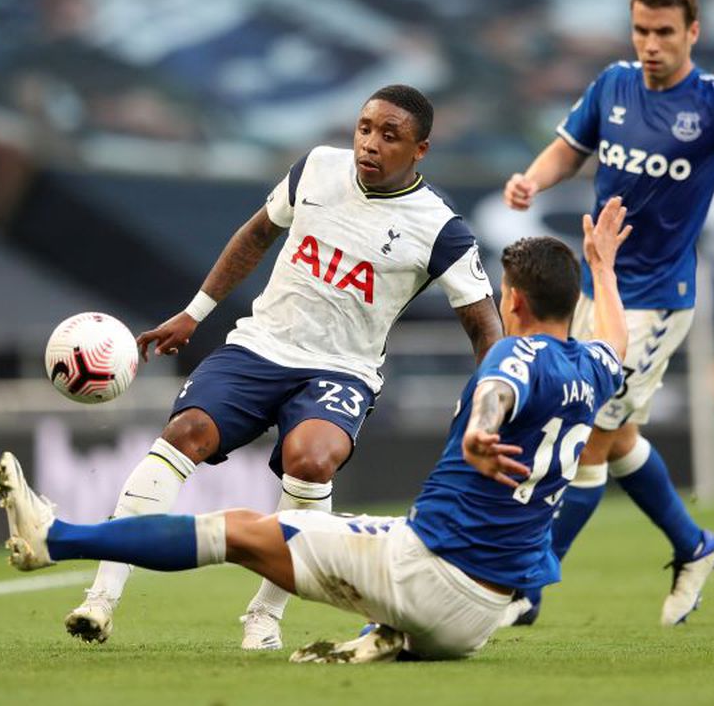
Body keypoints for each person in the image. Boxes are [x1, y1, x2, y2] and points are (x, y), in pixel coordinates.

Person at [0, 199, 630, 662]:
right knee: (306, 527)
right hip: (479, 619)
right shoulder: (596, 367)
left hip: (424, 574)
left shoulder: (511, 359)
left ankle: (55, 538)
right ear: (574, 308)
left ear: (512, 303)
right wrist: (604, 270)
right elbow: (617, 342)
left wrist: (479, 432)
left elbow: (496, 389)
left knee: (238, 532)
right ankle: (379, 637)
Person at [67, 84, 504, 650]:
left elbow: (484, 324)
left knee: (312, 460)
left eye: (389, 136)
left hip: (341, 371)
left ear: (420, 150)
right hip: (260, 346)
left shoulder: (441, 228)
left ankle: (264, 615)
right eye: (365, 128)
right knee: (184, 433)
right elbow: (256, 236)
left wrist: (494, 403)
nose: (370, 144)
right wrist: (194, 313)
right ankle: (100, 599)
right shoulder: (317, 169)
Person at [502, 0, 714, 627]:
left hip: (657, 299)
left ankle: (527, 587)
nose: (651, 44)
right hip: (596, 284)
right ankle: (695, 547)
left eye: (664, 32)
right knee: (618, 430)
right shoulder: (613, 84)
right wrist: (531, 182)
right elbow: (567, 151)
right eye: (641, 31)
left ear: (693, 33)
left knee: (592, 437)